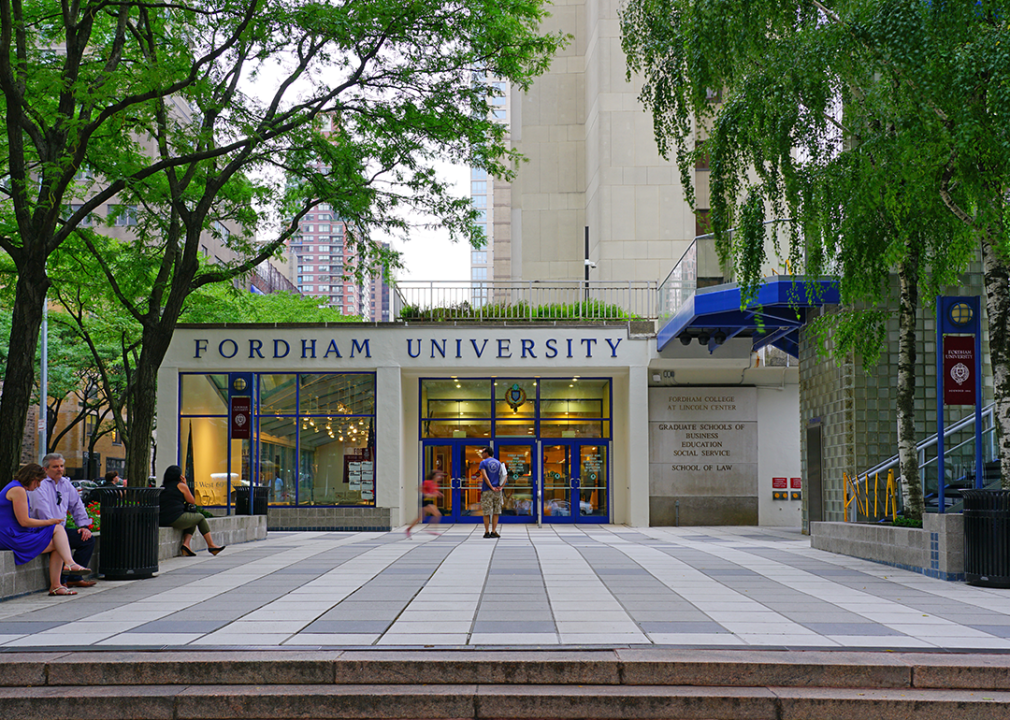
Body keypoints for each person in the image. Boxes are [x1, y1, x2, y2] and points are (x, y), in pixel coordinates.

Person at [1, 464, 92, 596]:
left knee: (59, 542)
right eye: (38, 482)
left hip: (13, 533)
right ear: (31, 478)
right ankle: (65, 570)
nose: (38, 486)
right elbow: (24, 521)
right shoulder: (17, 490)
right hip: (11, 536)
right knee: (57, 531)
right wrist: (49, 522)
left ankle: (60, 579)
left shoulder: (16, 487)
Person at [30, 453, 97, 589]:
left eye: (61, 466)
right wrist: (56, 528)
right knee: (62, 538)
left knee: (87, 539)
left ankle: (74, 577)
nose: (60, 469)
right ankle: (62, 580)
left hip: (59, 529)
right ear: (45, 469)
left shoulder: (65, 484)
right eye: (55, 467)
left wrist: (83, 526)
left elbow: (77, 505)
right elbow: (41, 510)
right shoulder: (39, 485)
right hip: (42, 528)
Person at [159, 465, 225, 556]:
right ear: (179, 476)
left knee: (192, 517)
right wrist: (185, 484)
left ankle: (186, 546)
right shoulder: (181, 486)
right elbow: (192, 501)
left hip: (162, 519)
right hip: (175, 518)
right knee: (200, 517)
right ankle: (211, 545)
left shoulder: (162, 487)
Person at [478, 447, 506, 539]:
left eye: (482, 452)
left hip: (487, 490)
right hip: (497, 491)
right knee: (496, 511)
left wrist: (491, 487)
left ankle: (487, 532)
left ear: (487, 453)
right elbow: (505, 476)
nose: (482, 454)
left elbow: (485, 477)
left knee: (486, 511)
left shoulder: (483, 463)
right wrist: (501, 487)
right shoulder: (498, 463)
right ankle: (494, 531)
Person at [406, 470, 444, 538]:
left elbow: (434, 492)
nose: (440, 477)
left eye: (441, 476)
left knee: (420, 518)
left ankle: (408, 529)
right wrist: (427, 494)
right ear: (434, 476)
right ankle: (431, 529)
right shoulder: (427, 482)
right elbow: (419, 489)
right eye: (439, 476)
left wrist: (438, 493)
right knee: (437, 514)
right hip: (425, 501)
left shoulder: (436, 484)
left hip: (429, 501)